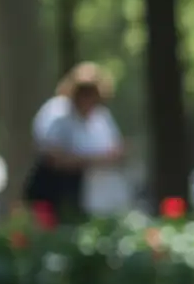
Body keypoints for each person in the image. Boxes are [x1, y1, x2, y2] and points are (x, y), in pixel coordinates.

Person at [24, 63, 127, 221]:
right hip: (54, 188)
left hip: (92, 193)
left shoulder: (101, 117)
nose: (88, 99)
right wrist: (95, 160)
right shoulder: (57, 112)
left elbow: (118, 150)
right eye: (84, 93)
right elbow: (53, 158)